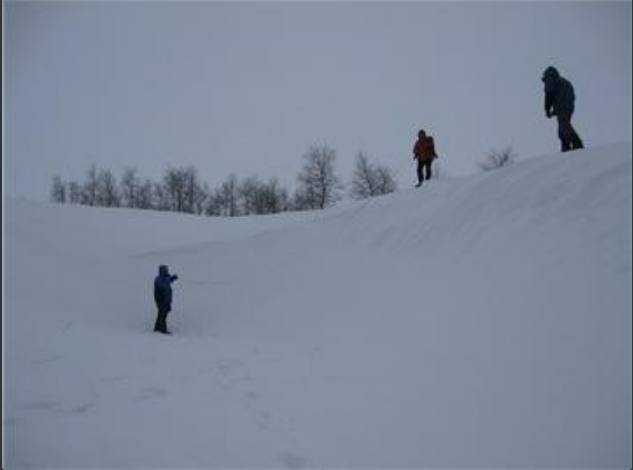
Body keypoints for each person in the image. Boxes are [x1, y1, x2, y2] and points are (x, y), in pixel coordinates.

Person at [542, 66, 584, 152]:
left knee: (564, 125)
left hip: (562, 107)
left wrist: (547, 110)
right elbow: (572, 95)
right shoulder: (564, 81)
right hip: (569, 107)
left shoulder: (549, 77)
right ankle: (565, 145)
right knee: (563, 125)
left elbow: (549, 93)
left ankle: (577, 143)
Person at [153, 265, 178, 334]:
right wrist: (168, 279)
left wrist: (173, 278)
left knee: (161, 314)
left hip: (166, 300)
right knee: (163, 315)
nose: (167, 271)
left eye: (167, 270)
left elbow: (168, 280)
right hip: (162, 300)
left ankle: (157, 327)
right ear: (162, 271)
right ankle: (163, 329)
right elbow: (163, 284)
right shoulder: (159, 279)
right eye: (165, 270)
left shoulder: (165, 278)